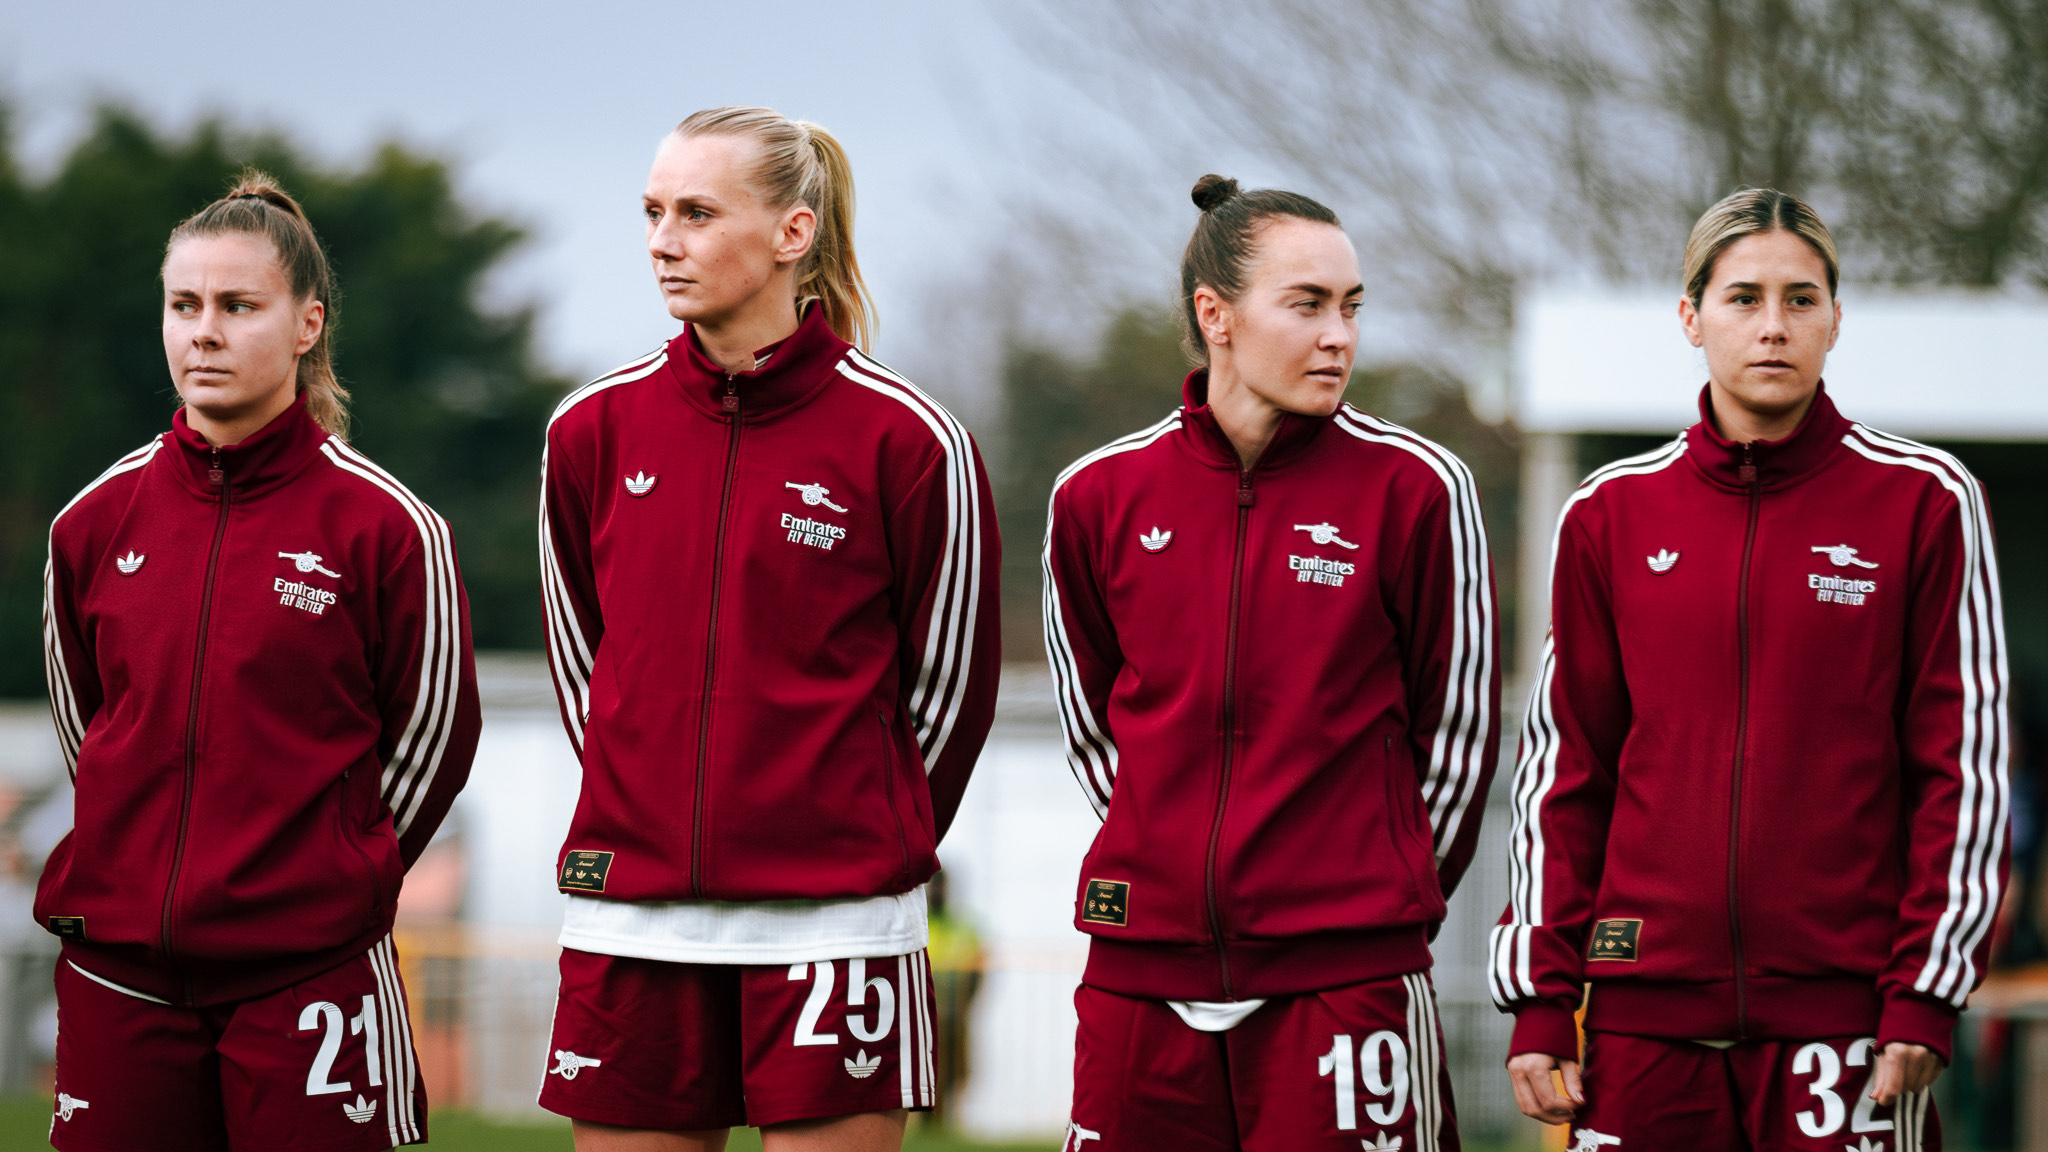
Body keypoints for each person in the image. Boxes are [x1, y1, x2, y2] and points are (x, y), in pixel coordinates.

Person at [1494, 187, 2006, 1150]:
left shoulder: (1925, 501)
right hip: (1644, 1022)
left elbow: (1962, 773)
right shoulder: (1608, 514)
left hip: (1846, 1023)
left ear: (1836, 321)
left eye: (1801, 299)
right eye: (1743, 298)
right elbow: (1565, 774)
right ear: (1690, 317)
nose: (1773, 326)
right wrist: (1540, 995)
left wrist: (1925, 995)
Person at [536, 106, 1000, 1152]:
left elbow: (950, 693)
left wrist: (846, 826)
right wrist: (647, 798)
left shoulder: (911, 440)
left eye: (697, 212)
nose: (663, 240)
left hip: (834, 925)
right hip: (630, 922)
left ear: (793, 232)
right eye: (653, 212)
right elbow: (585, 671)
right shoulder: (590, 430)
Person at [1042, 174, 1500, 1151]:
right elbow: (1089, 722)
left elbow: (1455, 736)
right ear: (1214, 314)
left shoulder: (1417, 489)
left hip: (1345, 978)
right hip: (1141, 974)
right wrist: (1174, 860)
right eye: (1306, 305)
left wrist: (1375, 888)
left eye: (1351, 307)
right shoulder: (1095, 496)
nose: (1338, 335)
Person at [39, 172, 481, 1151]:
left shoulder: (388, 528)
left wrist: (330, 871)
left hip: (307, 976)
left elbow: (435, 741)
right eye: (184, 305)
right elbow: (89, 732)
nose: (204, 331)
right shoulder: (93, 523)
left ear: (306, 323)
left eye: (239, 306)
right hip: (123, 979)